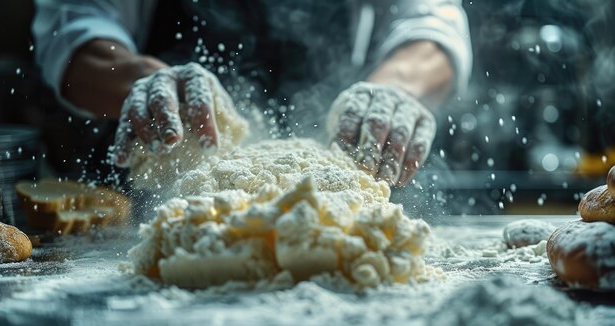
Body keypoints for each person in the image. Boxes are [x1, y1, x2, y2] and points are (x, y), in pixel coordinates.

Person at [32, 0, 472, 187]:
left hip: (334, 173)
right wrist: (149, 82)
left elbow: (431, 23)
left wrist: (389, 91)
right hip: (154, 203)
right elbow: (73, 29)